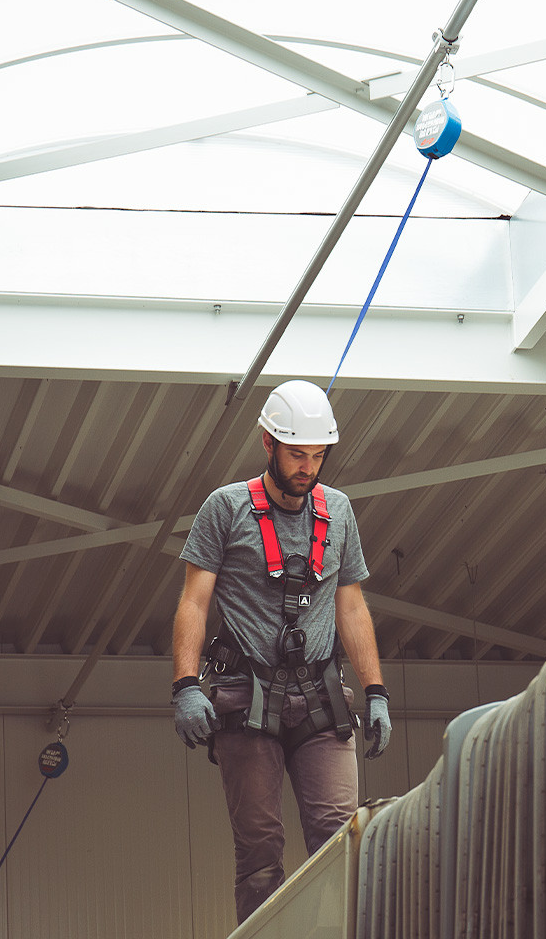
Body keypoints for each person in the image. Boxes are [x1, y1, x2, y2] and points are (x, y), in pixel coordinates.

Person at [169, 379, 391, 922]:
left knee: (340, 838)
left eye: (317, 455)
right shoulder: (224, 508)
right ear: (267, 442)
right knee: (261, 853)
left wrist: (376, 691)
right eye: (297, 453)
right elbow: (194, 603)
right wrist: (185, 685)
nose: (307, 467)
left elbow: (352, 606)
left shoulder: (337, 512)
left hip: (320, 697)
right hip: (246, 700)